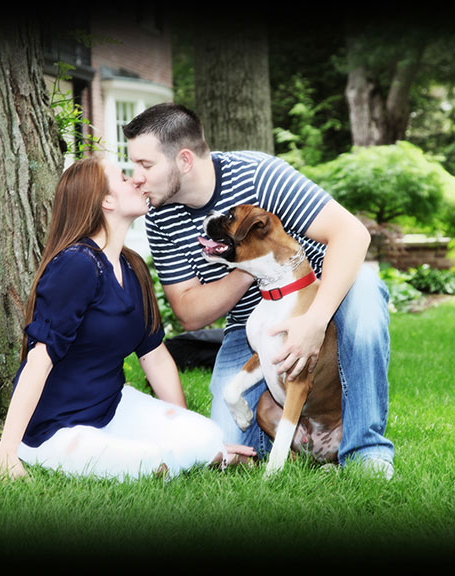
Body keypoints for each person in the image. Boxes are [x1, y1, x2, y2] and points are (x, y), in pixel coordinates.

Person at [123, 103, 395, 479]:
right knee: (228, 437)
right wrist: (251, 265)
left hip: (317, 297)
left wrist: (315, 322)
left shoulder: (259, 174)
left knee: (365, 288)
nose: (135, 177)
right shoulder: (160, 216)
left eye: (145, 165)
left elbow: (352, 234)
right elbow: (189, 311)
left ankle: (367, 451)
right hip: (250, 325)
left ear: (184, 160)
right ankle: (300, 442)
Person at [0, 155, 255, 482]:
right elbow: (38, 361)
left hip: (112, 406)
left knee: (205, 436)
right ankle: (31, 449)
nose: (137, 181)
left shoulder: (132, 266)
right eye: (123, 178)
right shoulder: (76, 265)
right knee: (150, 466)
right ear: (106, 200)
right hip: (55, 425)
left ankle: (193, 453)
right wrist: (6, 452)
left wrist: (188, 431)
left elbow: (156, 357)